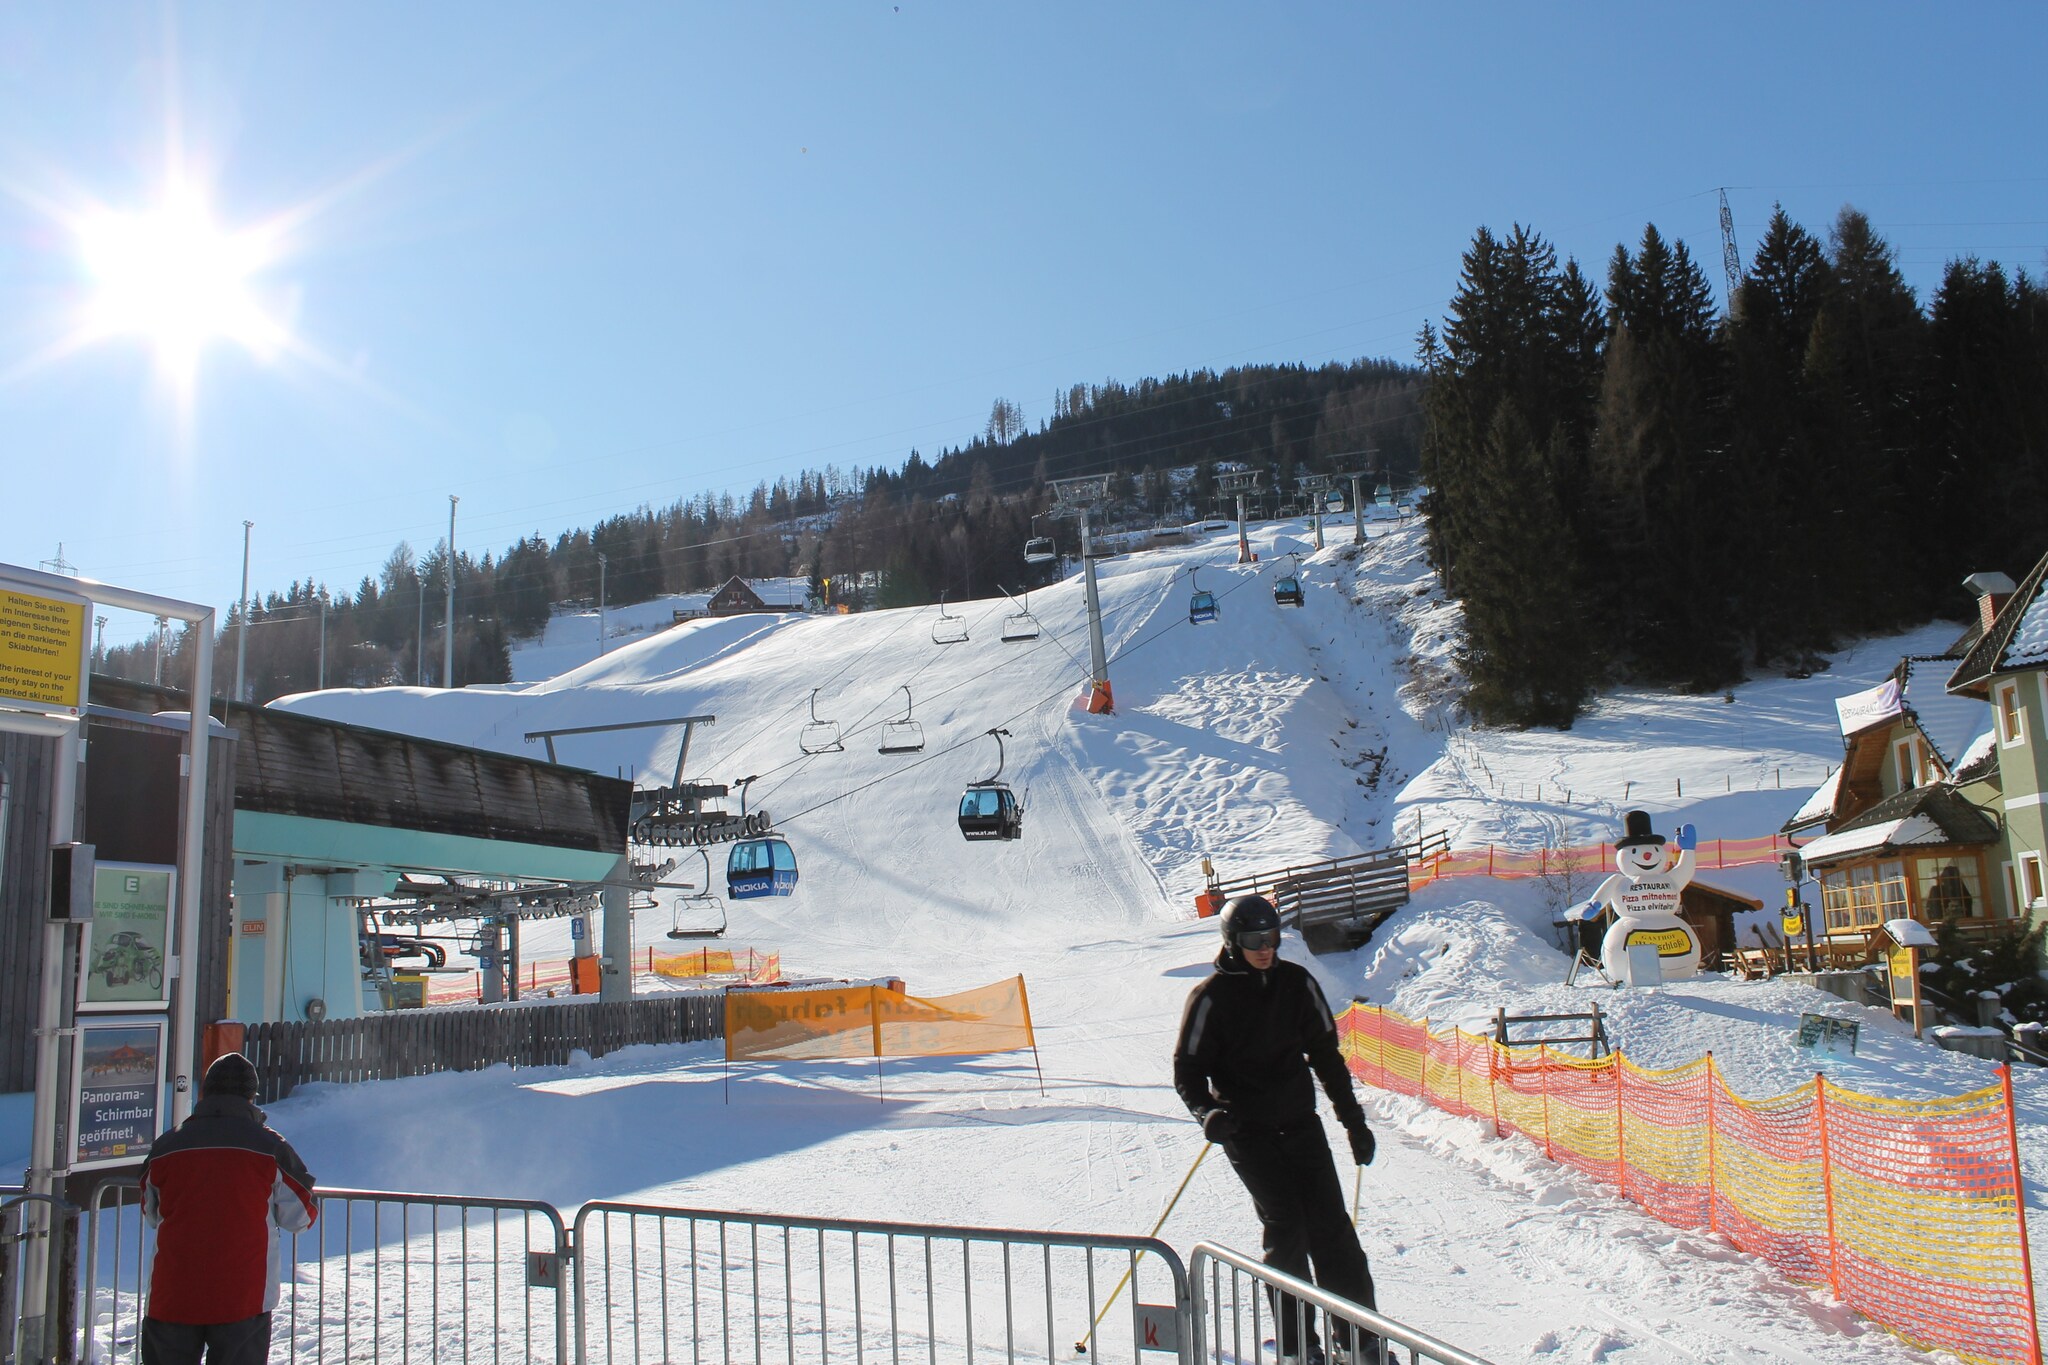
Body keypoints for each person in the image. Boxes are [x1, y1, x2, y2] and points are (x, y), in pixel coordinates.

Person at [1174, 894, 1381, 1365]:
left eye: (1270, 938)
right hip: (1247, 1132)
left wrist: (1354, 1124)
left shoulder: (1296, 983)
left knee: (1332, 1229)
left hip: (1300, 1124)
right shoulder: (1210, 998)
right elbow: (1187, 1071)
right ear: (1232, 942)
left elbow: (1327, 1058)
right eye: (1253, 940)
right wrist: (1208, 1114)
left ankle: (1359, 1337)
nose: (1264, 948)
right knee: (1287, 1228)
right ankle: (1297, 1346)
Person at [139, 1052, 317, 1365]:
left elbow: (151, 1212)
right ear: (251, 1097)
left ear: (204, 1092)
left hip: (173, 1293)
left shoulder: (166, 1147)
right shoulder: (269, 1147)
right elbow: (300, 1217)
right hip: (242, 1296)